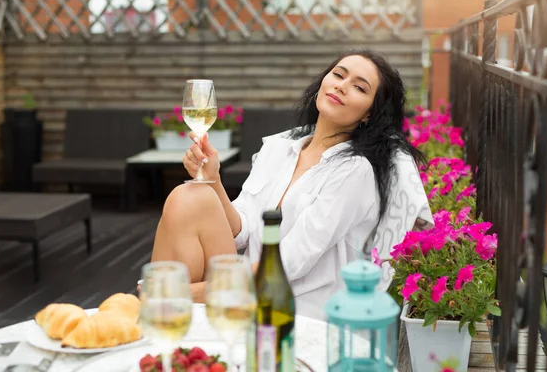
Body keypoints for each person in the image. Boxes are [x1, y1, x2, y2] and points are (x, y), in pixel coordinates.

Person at [150, 49, 432, 320]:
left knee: (174, 283)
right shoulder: (279, 148)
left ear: (369, 114)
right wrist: (213, 179)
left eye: (360, 87)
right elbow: (243, 230)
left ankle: (168, 317)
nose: (342, 86)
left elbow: (291, 261)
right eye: (338, 74)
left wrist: (196, 292)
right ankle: (173, 326)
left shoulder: (354, 170)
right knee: (188, 195)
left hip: (292, 306)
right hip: (244, 285)